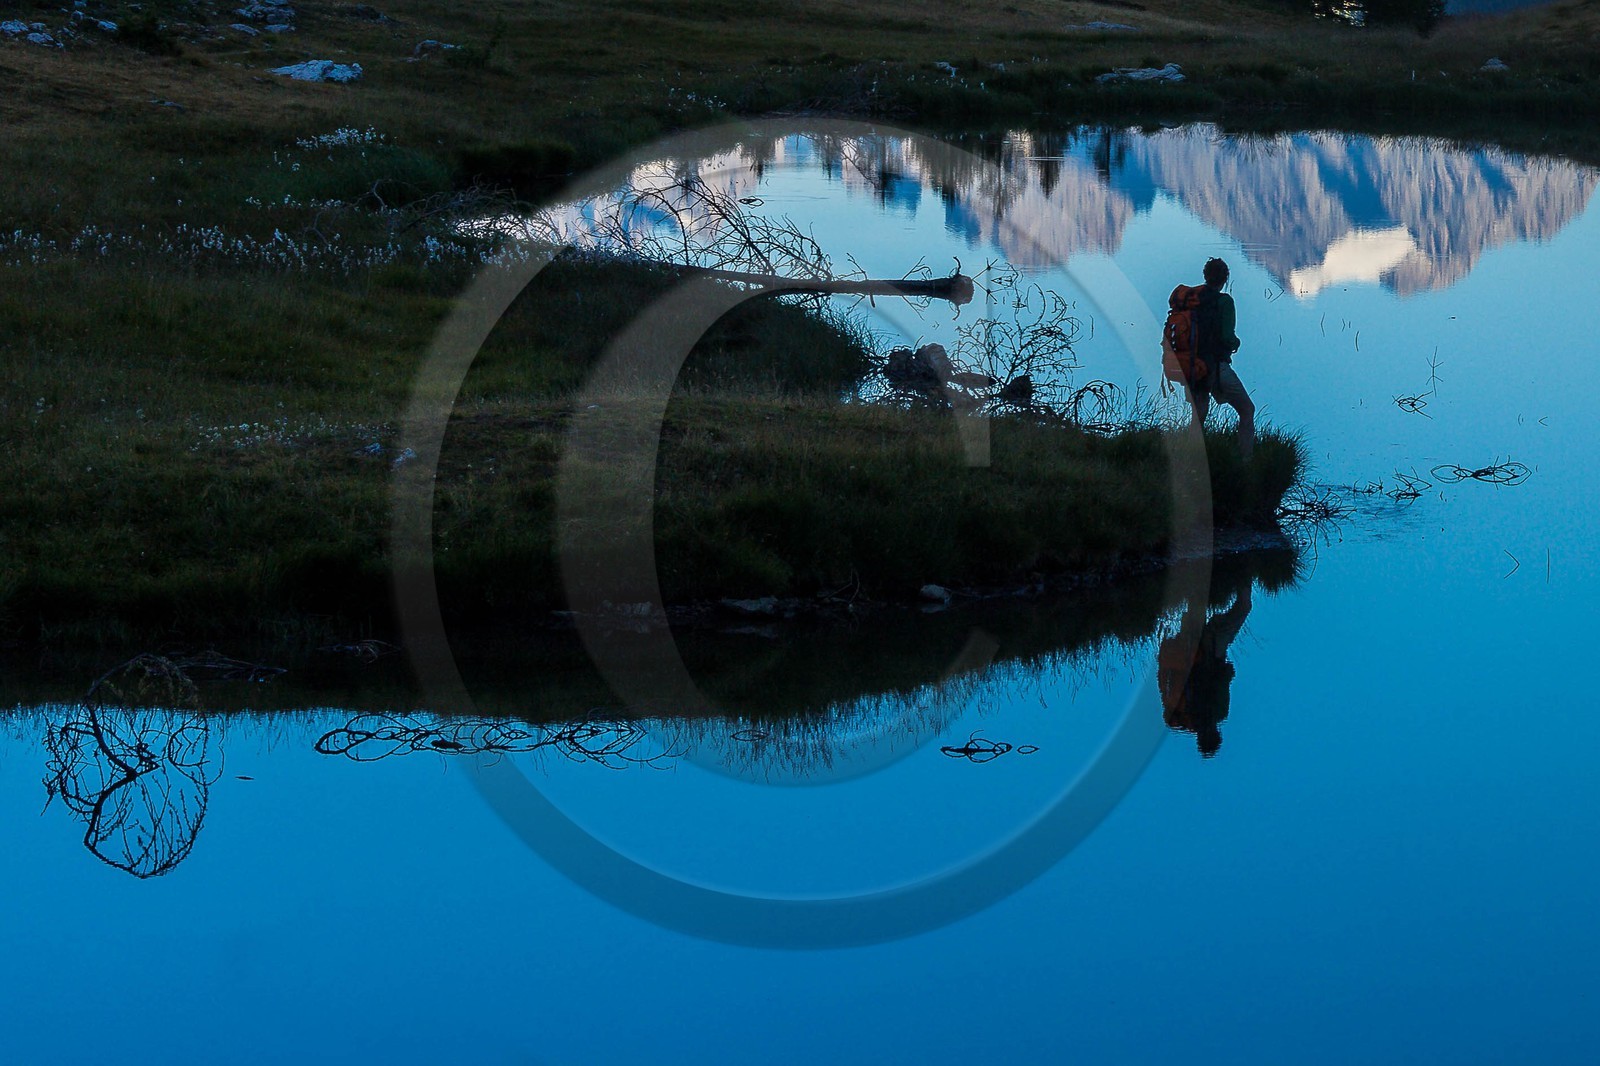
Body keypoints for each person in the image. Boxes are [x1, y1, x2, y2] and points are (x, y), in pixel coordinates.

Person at [1157, 577, 1253, 757]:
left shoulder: (1212, 714)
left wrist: (1226, 672)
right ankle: (1235, 571)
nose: (1210, 731)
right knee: (1199, 603)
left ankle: (1242, 572)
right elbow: (1164, 679)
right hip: (1197, 651)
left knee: (1242, 607)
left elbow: (1224, 678)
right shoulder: (1184, 716)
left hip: (1207, 651)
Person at [1188, 257, 1255, 460]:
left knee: (1199, 414)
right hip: (1216, 367)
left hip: (1192, 365)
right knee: (1247, 410)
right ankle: (1246, 461)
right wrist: (1236, 343)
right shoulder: (1225, 302)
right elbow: (1227, 337)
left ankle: (1190, 458)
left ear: (1205, 275)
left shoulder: (1193, 300)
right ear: (1225, 278)